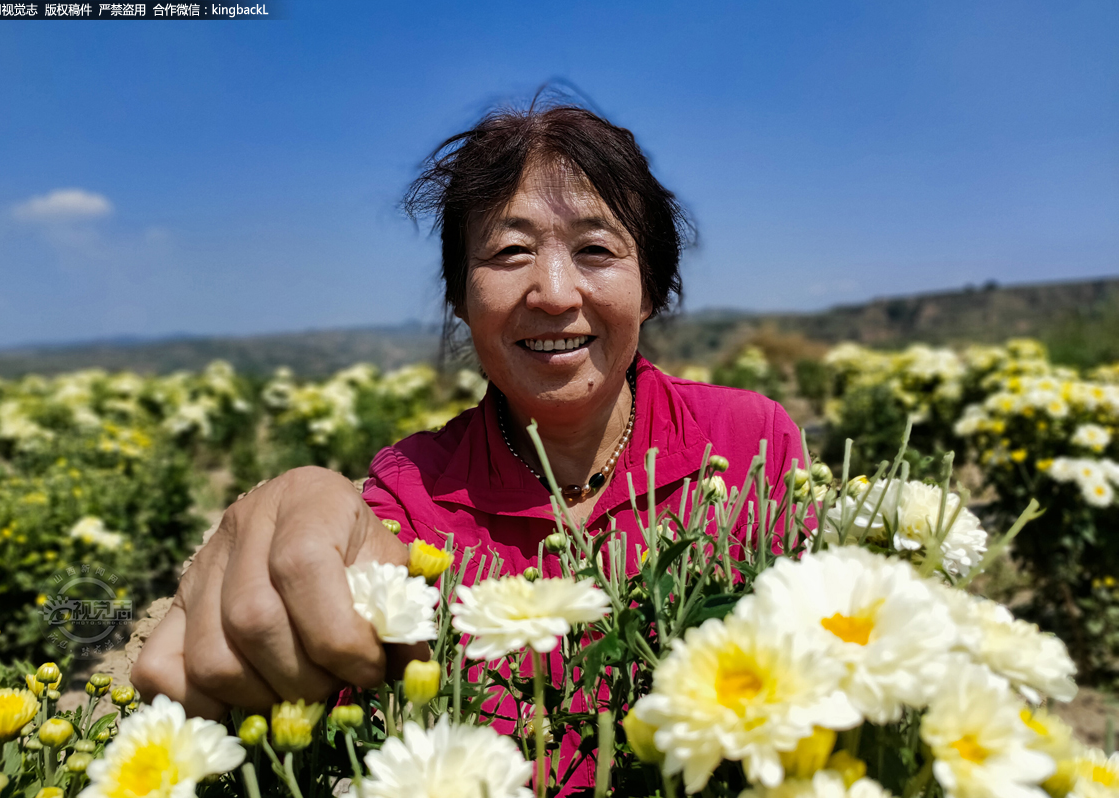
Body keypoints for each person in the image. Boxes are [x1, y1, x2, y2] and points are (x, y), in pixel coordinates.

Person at [132, 100, 804, 723]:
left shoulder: (752, 444)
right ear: (459, 297)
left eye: (596, 250)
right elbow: (343, 569)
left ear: (649, 289)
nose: (553, 292)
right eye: (510, 252)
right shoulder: (412, 494)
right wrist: (290, 499)